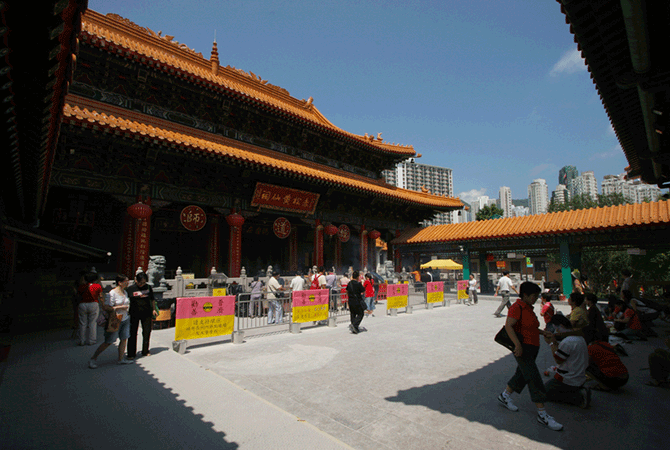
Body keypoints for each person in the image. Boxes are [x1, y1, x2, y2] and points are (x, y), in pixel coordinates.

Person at [497, 281, 563, 431]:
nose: (536, 298)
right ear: (525, 295)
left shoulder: (528, 309)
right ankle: (542, 414)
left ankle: (505, 396)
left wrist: (542, 332)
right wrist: (517, 345)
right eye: (533, 296)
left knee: (522, 374)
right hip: (523, 348)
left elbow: (531, 327)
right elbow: (509, 326)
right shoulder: (517, 307)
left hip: (533, 347)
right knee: (533, 377)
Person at [543, 314, 591, 409]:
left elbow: (558, 359)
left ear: (561, 326)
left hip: (569, 378)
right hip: (579, 376)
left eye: (556, 328)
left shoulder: (568, 341)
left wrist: (551, 343)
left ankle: (578, 397)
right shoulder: (578, 338)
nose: (556, 330)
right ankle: (576, 391)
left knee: (543, 392)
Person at [89, 274, 133, 368]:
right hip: (115, 319)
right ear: (120, 282)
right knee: (109, 341)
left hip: (125, 318)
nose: (128, 282)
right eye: (126, 281)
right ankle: (93, 358)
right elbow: (107, 307)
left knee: (124, 339)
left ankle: (121, 359)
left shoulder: (125, 292)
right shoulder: (112, 293)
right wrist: (120, 307)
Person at [126, 272, 158, 359]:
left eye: (144, 283)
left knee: (147, 332)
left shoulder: (148, 287)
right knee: (132, 333)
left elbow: (152, 299)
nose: (142, 285)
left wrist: (154, 309)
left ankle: (145, 350)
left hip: (146, 313)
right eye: (140, 283)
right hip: (134, 313)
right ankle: (131, 353)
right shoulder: (130, 289)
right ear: (136, 280)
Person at [77, 271, 101, 346]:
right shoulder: (97, 286)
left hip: (82, 304)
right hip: (93, 303)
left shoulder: (81, 286)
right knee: (92, 323)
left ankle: (82, 340)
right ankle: (91, 340)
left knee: (82, 323)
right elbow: (101, 296)